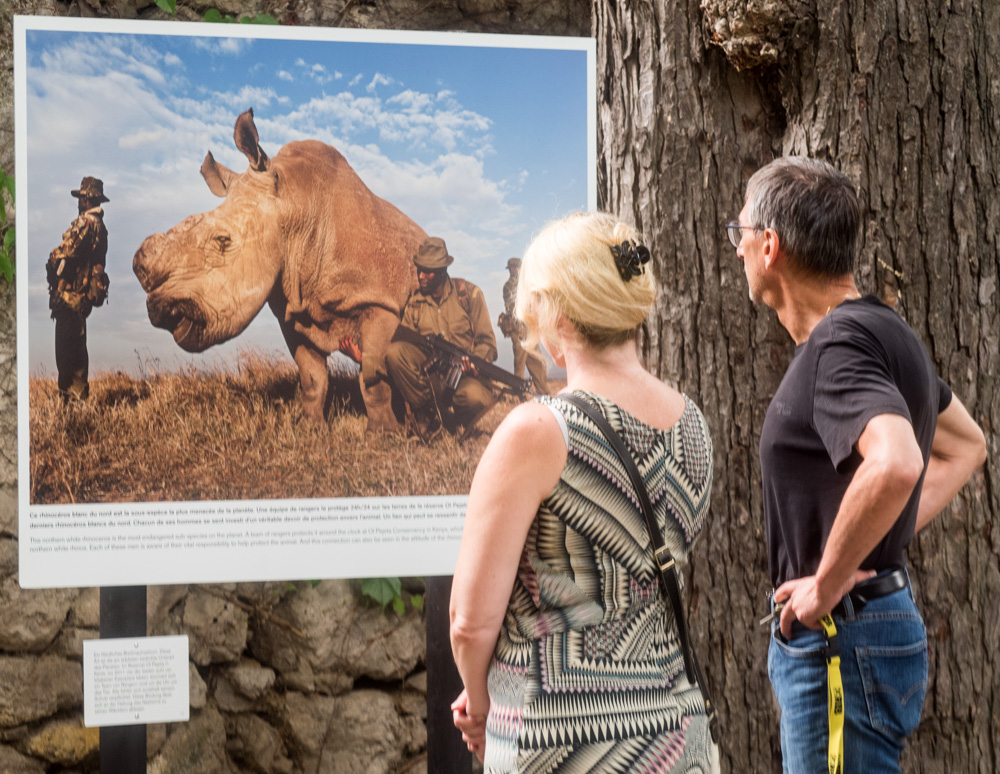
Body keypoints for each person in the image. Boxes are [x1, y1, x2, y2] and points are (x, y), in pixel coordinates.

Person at [729, 156, 987, 773]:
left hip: (842, 641)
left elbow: (898, 463)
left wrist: (826, 581)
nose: (735, 249)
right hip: (866, 630)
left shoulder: (837, 346)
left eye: (738, 234)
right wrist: (867, 542)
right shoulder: (884, 330)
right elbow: (965, 444)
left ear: (770, 246)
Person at [449, 212, 719, 772]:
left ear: (557, 313)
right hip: (675, 735)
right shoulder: (692, 423)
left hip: (559, 737)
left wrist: (478, 703)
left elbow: (469, 623)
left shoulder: (538, 433)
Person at [340, 236, 498, 440]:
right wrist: (363, 359)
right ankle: (430, 420)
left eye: (428, 271)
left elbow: (488, 342)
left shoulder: (469, 295)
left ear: (442, 271)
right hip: (432, 383)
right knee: (396, 351)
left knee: (474, 397)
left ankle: (454, 423)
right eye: (419, 269)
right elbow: (397, 356)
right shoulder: (414, 306)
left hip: (466, 379)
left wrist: (476, 361)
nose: (421, 276)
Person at [46, 176, 111, 403]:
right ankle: (77, 405)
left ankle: (73, 406)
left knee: (67, 355)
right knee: (77, 353)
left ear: (87, 199)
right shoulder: (101, 228)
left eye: (81, 198)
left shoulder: (85, 223)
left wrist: (53, 258)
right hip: (80, 299)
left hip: (70, 297)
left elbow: (65, 252)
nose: (78, 202)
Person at [500, 257, 550, 395]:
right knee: (519, 367)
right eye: (513, 268)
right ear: (509, 269)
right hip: (518, 329)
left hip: (529, 329)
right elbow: (513, 307)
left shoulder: (526, 285)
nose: (516, 270)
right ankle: (517, 396)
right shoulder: (508, 286)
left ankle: (545, 393)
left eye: (518, 267)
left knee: (538, 363)